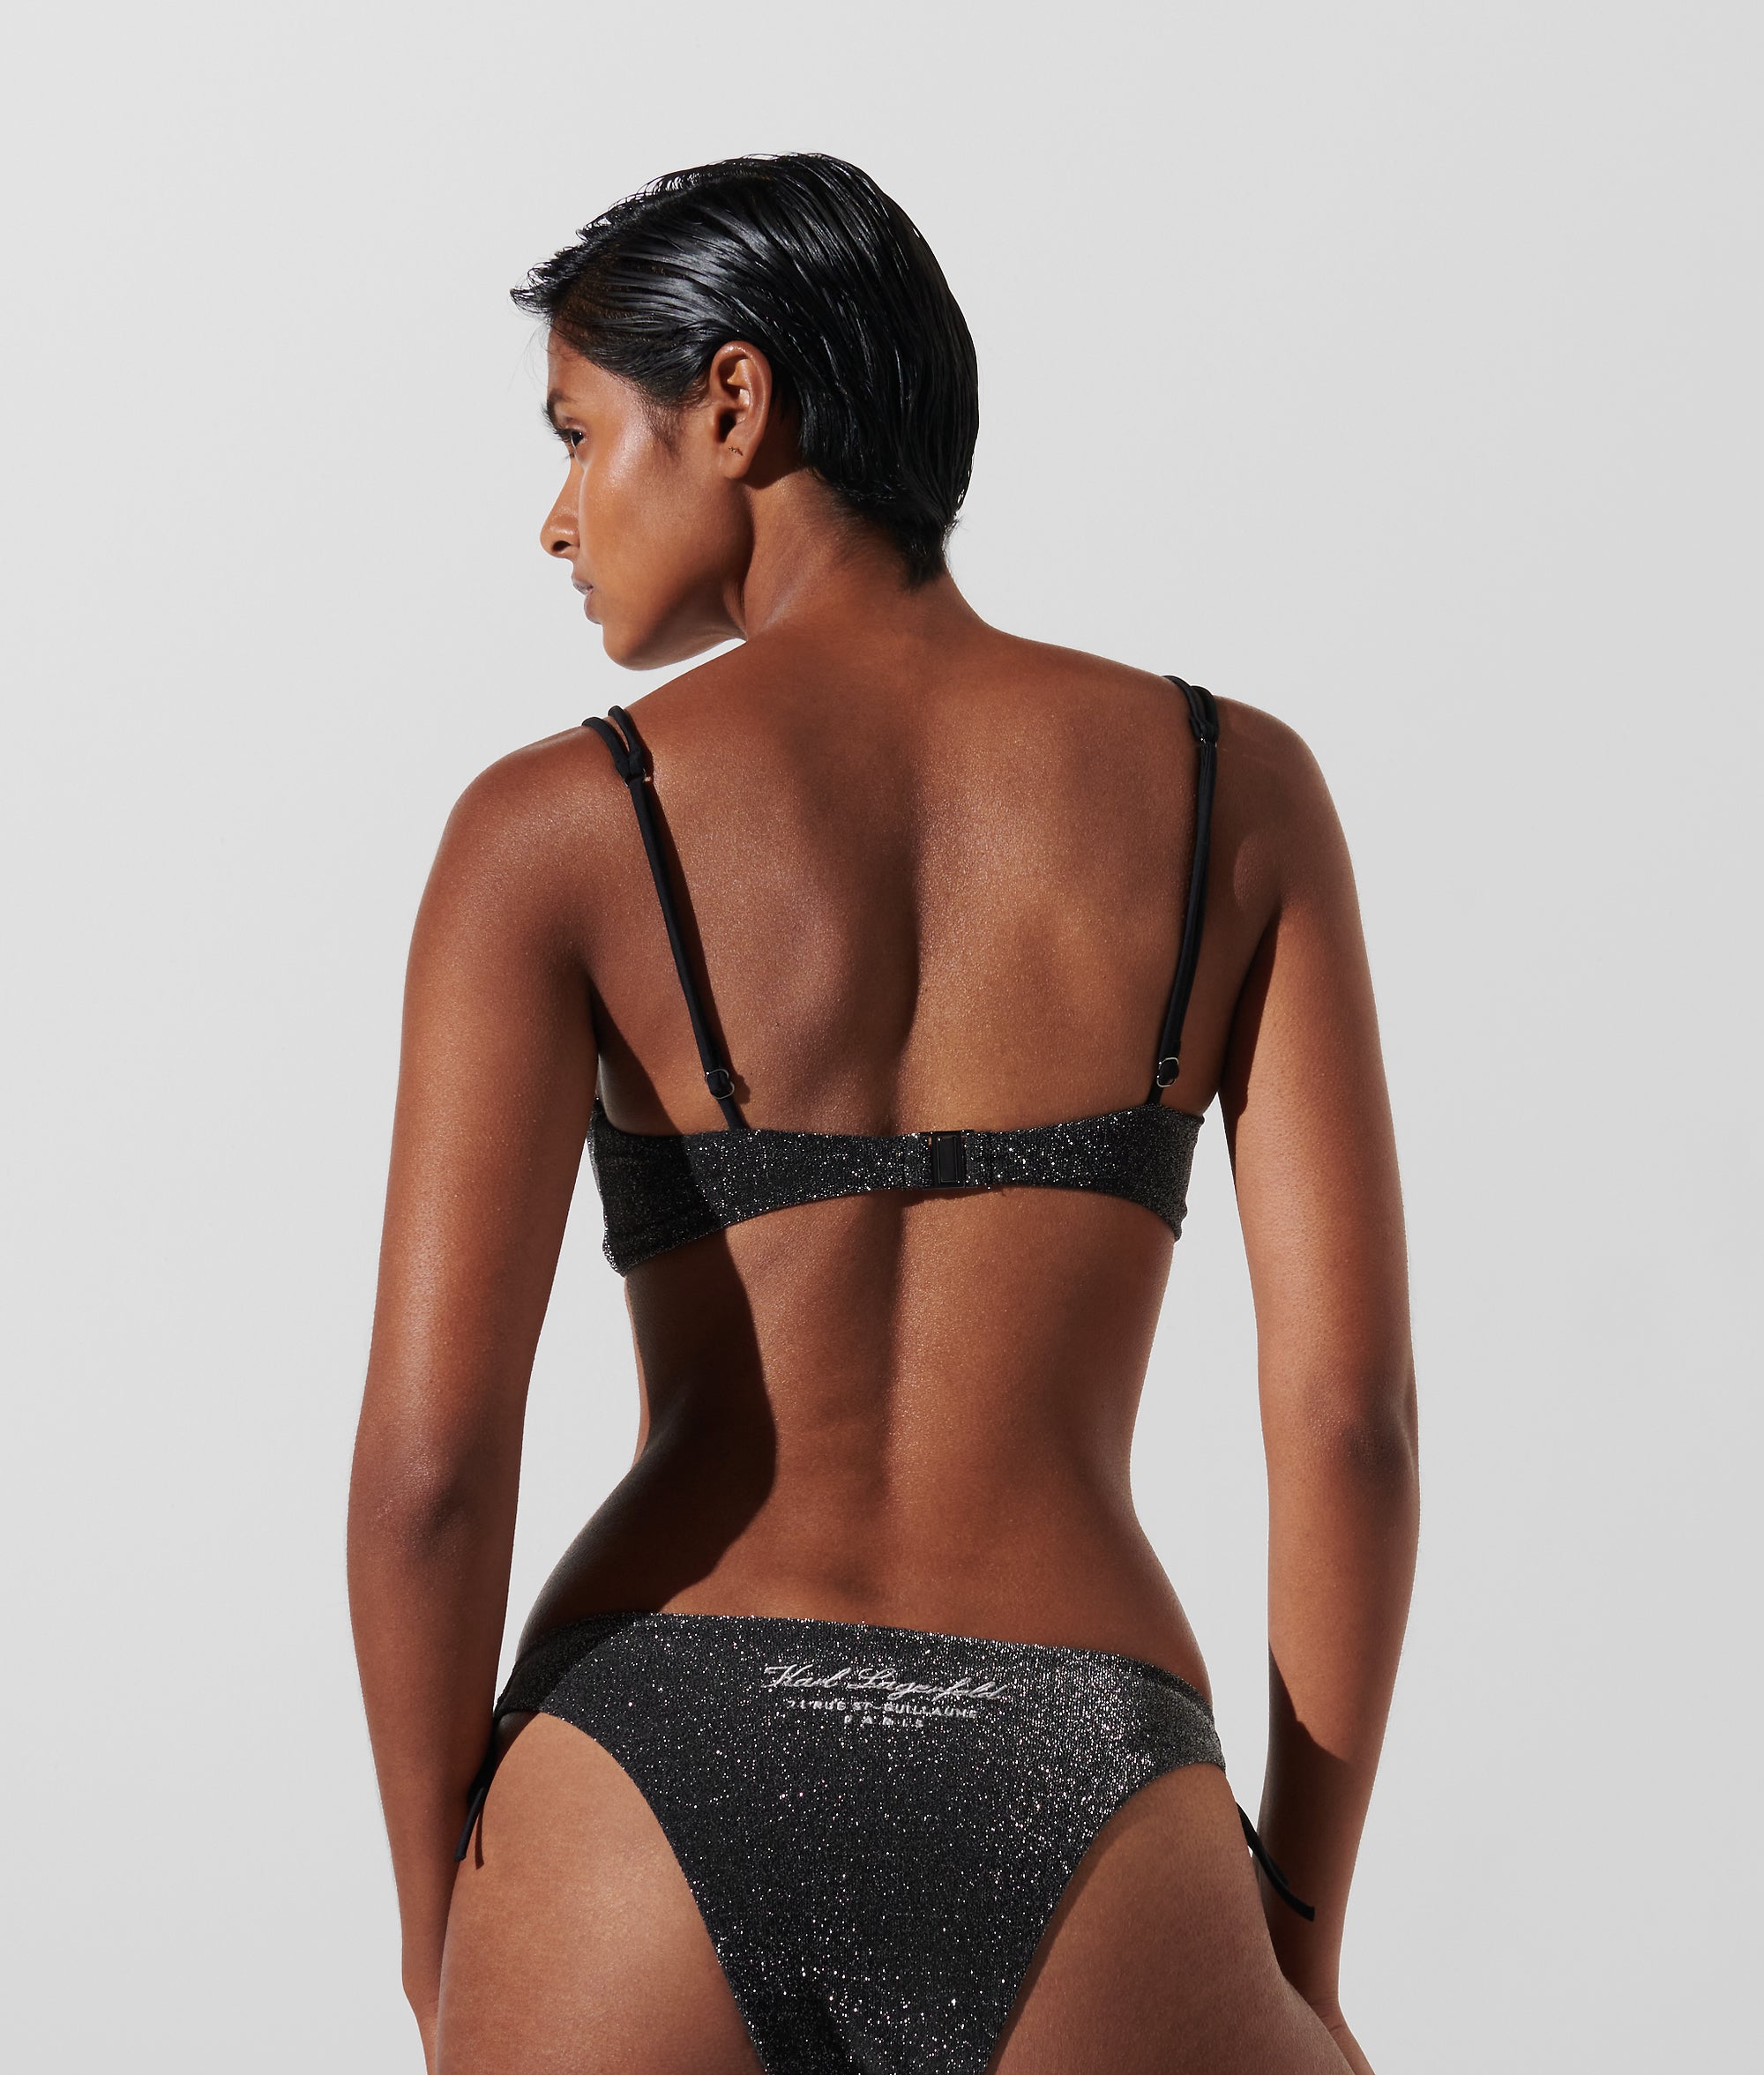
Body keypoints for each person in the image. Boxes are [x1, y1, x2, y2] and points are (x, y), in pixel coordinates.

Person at [348, 153, 1418, 2075]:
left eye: (580, 434)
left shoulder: (547, 832)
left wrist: (444, 1926)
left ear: (733, 404)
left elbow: (430, 1469)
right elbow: (1351, 1425)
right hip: (1083, 1761)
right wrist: (1298, 1937)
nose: (556, 516)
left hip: (641, 1769)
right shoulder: (1235, 792)